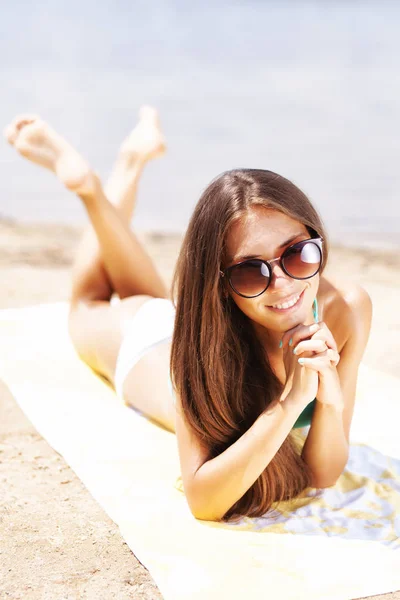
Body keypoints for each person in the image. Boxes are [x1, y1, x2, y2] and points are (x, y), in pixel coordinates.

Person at [4, 108, 372, 523]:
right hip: (144, 345)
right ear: (219, 284)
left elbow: (323, 473)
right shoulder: (198, 354)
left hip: (176, 317)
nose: (284, 284)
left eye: (298, 254)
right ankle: (90, 186)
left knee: (145, 293)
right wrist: (291, 402)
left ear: (316, 238)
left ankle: (131, 161)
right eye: (252, 271)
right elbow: (203, 501)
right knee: (87, 304)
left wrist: (327, 400)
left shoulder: (346, 309)